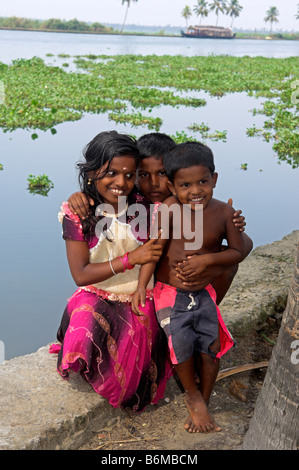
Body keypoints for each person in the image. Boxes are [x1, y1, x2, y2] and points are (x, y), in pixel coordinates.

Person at [131, 141, 250, 433]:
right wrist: (141, 286)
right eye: (185, 185)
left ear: (215, 180)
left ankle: (204, 399)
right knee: (180, 348)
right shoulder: (169, 210)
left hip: (204, 294)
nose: (195, 190)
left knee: (210, 349)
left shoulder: (224, 214)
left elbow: (238, 251)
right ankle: (192, 396)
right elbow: (154, 249)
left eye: (203, 182)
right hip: (171, 294)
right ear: (172, 186)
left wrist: (207, 261)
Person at [50, 130, 172, 411]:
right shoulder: (79, 212)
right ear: (92, 172)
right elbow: (81, 274)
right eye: (111, 173)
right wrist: (132, 257)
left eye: (130, 175)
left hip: (139, 294)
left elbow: (181, 191)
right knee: (83, 329)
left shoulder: (145, 204)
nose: (122, 183)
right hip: (98, 293)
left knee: (134, 355)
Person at [68, 132, 252, 308]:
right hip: (147, 284)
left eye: (162, 173)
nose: (154, 183)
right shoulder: (135, 203)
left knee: (227, 264)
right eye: (143, 175)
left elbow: (245, 246)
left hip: (183, 280)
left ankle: (208, 315)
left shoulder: (189, 203)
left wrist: (229, 223)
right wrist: (80, 196)